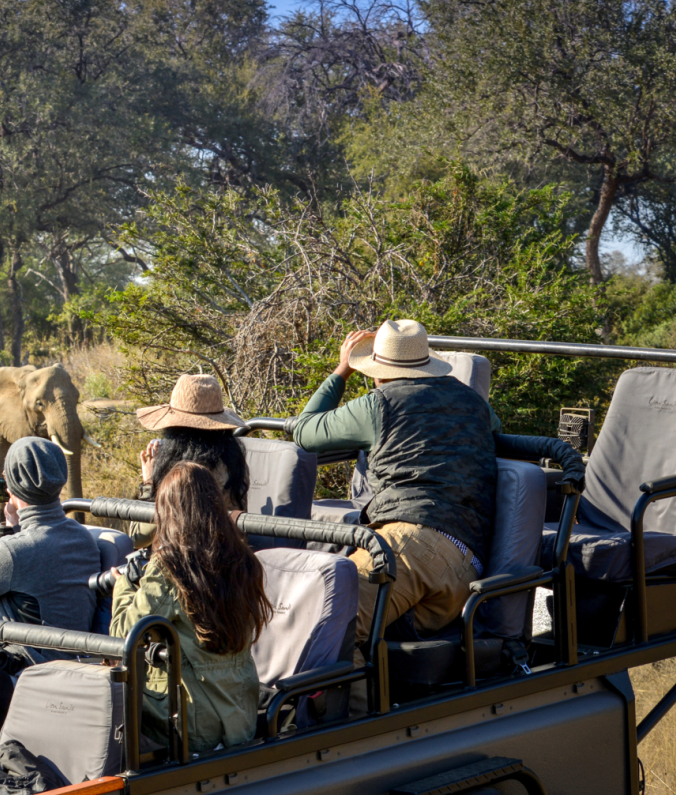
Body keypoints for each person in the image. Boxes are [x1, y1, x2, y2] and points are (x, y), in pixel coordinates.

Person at [292, 319, 501, 643]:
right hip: (465, 567)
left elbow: (304, 432)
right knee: (368, 635)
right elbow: (494, 434)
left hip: (409, 546)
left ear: (375, 370)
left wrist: (341, 371)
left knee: (327, 625)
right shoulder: (473, 401)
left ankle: (350, 697)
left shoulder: (379, 404)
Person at [110, 463, 270, 753]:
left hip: (188, 726)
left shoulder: (170, 566)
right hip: (239, 719)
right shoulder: (245, 560)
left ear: (167, 511)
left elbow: (123, 635)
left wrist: (123, 586)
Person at [0, 437, 102, 661]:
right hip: (72, 666)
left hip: (30, 674)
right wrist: (11, 526)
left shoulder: (15, 552)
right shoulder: (81, 536)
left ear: (10, 482)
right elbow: (31, 581)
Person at [126, 374, 250, 548]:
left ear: (175, 432)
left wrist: (149, 482)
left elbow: (138, 538)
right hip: (230, 558)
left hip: (186, 564)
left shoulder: (183, 477)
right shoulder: (233, 461)